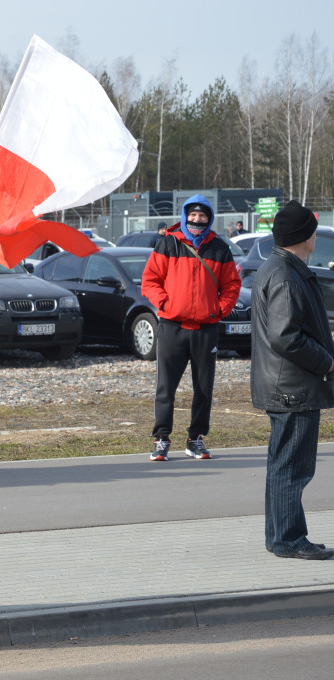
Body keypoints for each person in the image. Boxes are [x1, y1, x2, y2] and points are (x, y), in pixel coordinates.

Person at [251, 201, 334, 560]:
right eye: (313, 229)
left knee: (283, 465)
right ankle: (288, 539)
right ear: (305, 236)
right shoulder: (285, 274)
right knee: (293, 468)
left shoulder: (279, 267)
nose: (316, 234)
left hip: (285, 385)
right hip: (293, 388)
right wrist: (327, 363)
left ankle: (280, 536)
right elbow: (286, 336)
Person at [142, 195, 241, 462]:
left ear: (210, 218)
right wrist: (165, 302)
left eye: (203, 216)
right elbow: (150, 280)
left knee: (204, 387)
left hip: (205, 330)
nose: (197, 220)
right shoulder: (168, 243)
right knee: (166, 387)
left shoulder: (220, 248)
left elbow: (232, 285)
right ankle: (161, 439)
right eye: (193, 215)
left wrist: (220, 309)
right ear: (186, 215)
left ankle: (195, 439)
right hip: (172, 327)